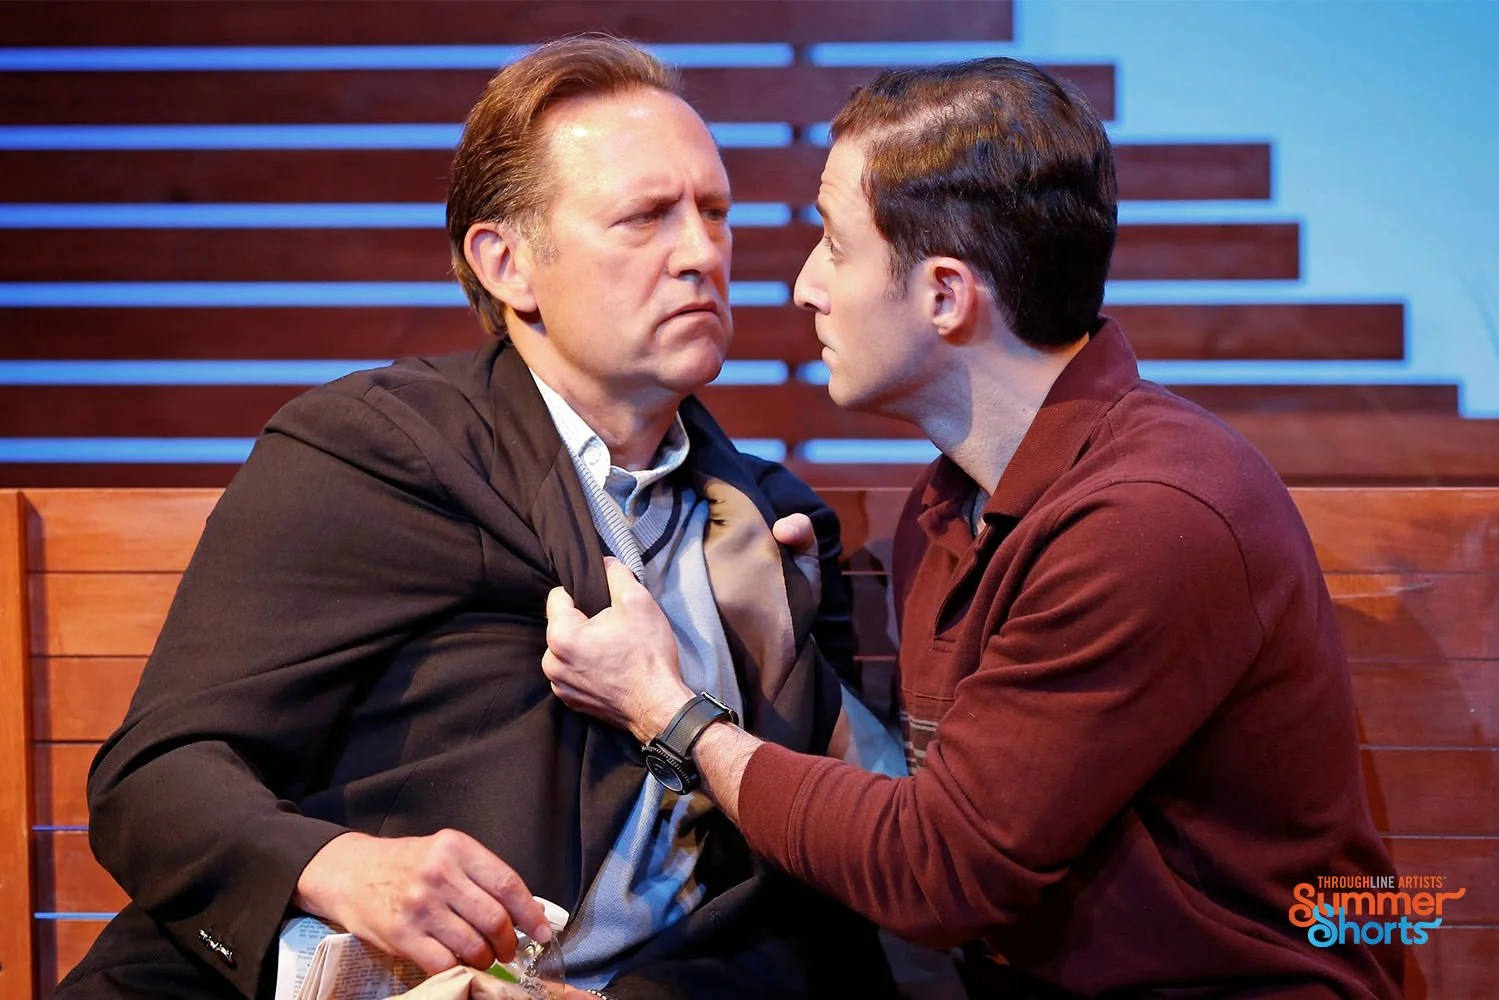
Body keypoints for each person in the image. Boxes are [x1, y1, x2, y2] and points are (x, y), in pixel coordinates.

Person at [541, 57, 1406, 999]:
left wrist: (667, 712)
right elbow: (932, 806)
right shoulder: (953, 503)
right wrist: (778, 634)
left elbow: (938, 871)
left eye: (835, 246)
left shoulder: (1149, 516)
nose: (803, 287)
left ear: (946, 296)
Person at [56, 36, 895, 1000]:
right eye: (644, 218)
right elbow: (153, 778)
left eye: (714, 212)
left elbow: (815, 888)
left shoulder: (772, 527)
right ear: (507, 264)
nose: (703, 255)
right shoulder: (378, 447)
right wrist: (338, 867)